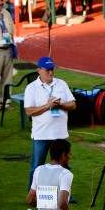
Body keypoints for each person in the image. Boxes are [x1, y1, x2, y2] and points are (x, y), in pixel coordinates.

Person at [24, 57, 76, 195]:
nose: (51, 73)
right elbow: (29, 111)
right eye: (47, 70)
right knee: (36, 167)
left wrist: (61, 105)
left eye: (52, 69)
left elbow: (73, 105)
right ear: (39, 70)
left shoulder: (61, 84)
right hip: (41, 134)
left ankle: (65, 195)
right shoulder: (31, 88)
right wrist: (48, 106)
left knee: (64, 166)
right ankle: (32, 196)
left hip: (60, 134)